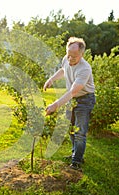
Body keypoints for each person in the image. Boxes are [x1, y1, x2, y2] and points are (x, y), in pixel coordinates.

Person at [43, 37, 96, 170]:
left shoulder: (85, 69)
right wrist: (51, 79)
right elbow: (63, 70)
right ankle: (75, 154)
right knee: (71, 128)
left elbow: (73, 92)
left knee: (80, 131)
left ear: (81, 54)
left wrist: (55, 105)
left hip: (85, 99)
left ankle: (77, 162)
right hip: (72, 99)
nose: (70, 59)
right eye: (68, 55)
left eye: (74, 56)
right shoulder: (66, 59)